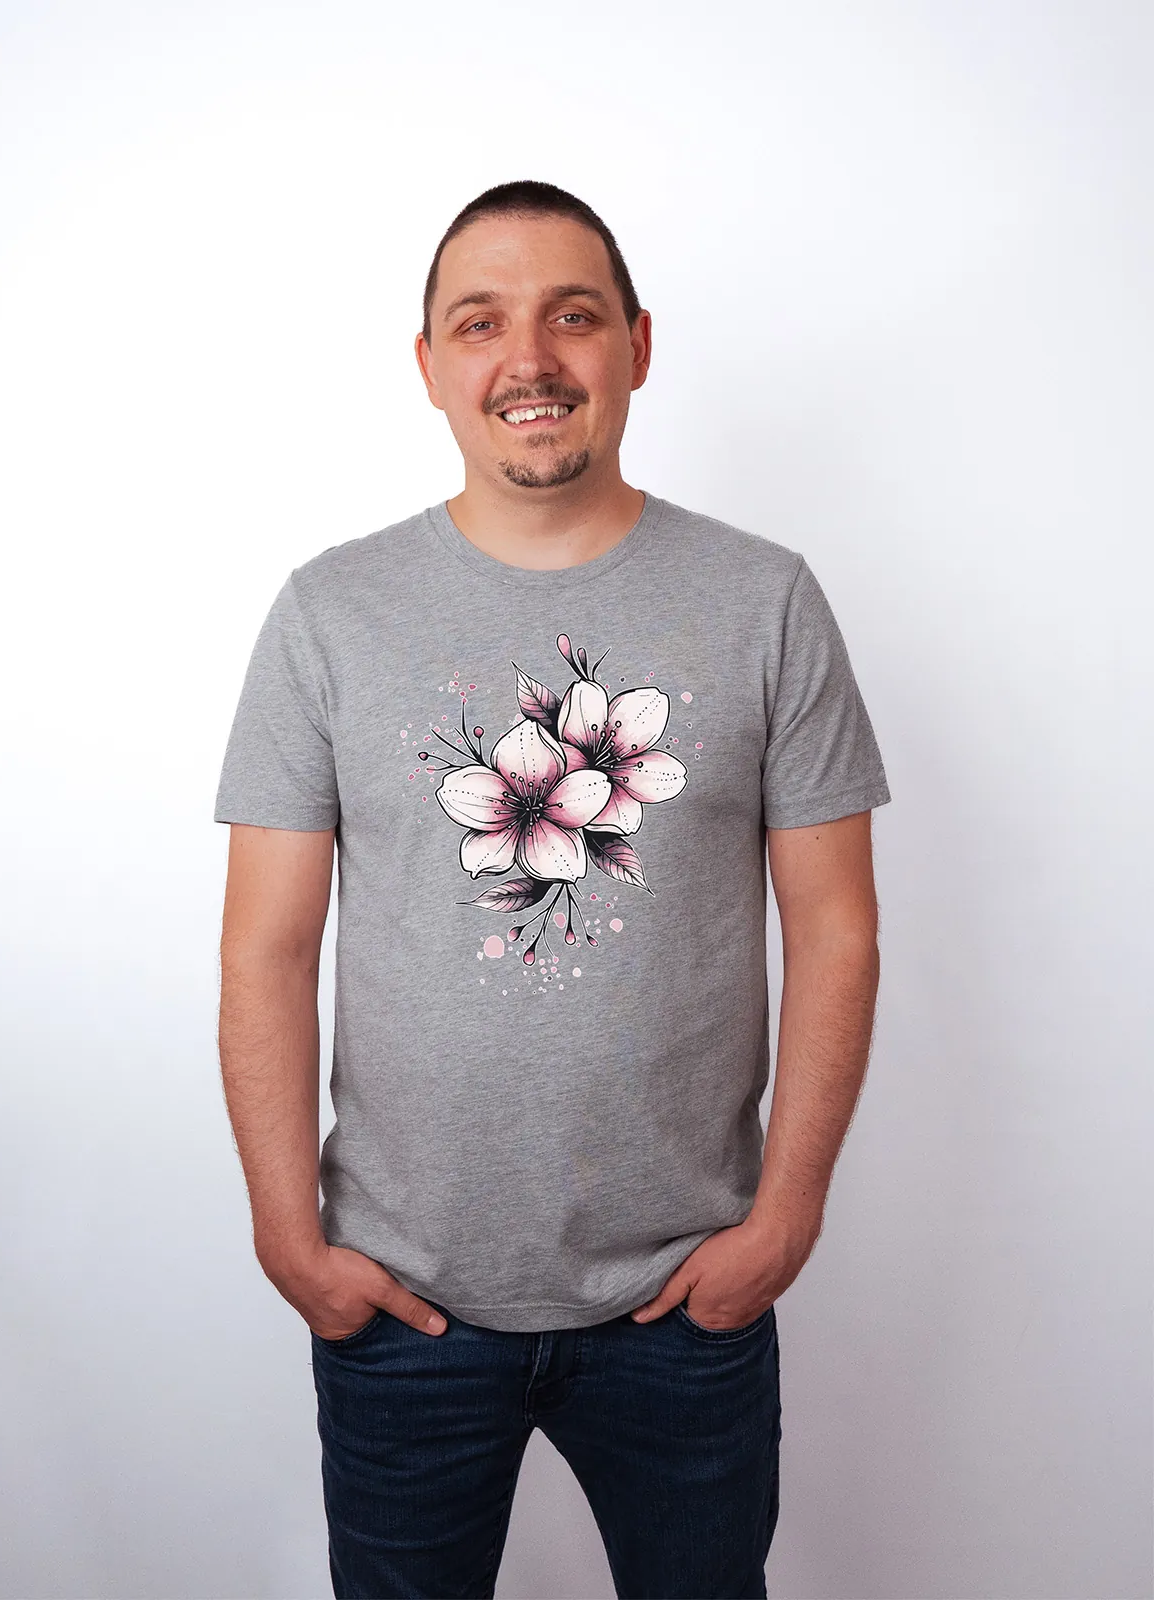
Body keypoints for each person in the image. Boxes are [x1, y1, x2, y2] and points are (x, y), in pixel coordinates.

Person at [213, 179, 891, 1600]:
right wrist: (289, 1235)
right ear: (429, 367)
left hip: (684, 1301)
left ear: (637, 345)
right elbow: (267, 950)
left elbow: (836, 928)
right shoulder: (328, 614)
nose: (528, 359)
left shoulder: (765, 599)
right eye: (481, 323)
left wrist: (784, 1220)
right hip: (399, 1303)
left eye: (572, 316)